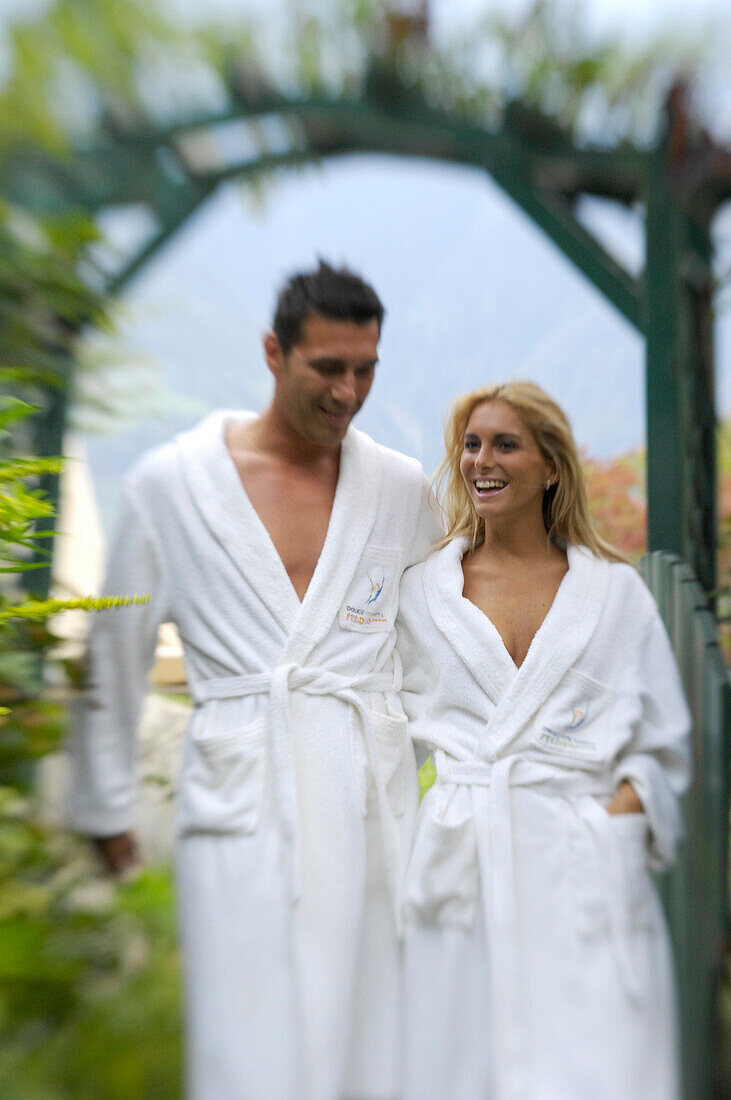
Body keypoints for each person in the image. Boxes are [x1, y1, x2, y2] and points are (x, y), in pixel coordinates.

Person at [70, 261, 441, 1100]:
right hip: (244, 792)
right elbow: (114, 644)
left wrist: (394, 743)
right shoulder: (172, 486)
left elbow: (441, 637)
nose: (349, 392)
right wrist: (104, 801)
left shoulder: (397, 490)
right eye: (328, 368)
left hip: (367, 799)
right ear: (274, 353)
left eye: (366, 370)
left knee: (374, 1038)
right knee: (248, 1043)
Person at [395, 381, 691, 1100]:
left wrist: (615, 821)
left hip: (579, 867)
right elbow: (386, 735)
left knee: (602, 1070)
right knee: (462, 1072)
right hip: (462, 871)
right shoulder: (421, 594)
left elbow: (663, 744)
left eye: (504, 444)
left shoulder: (614, 595)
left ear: (550, 466)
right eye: (470, 444)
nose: (480, 461)